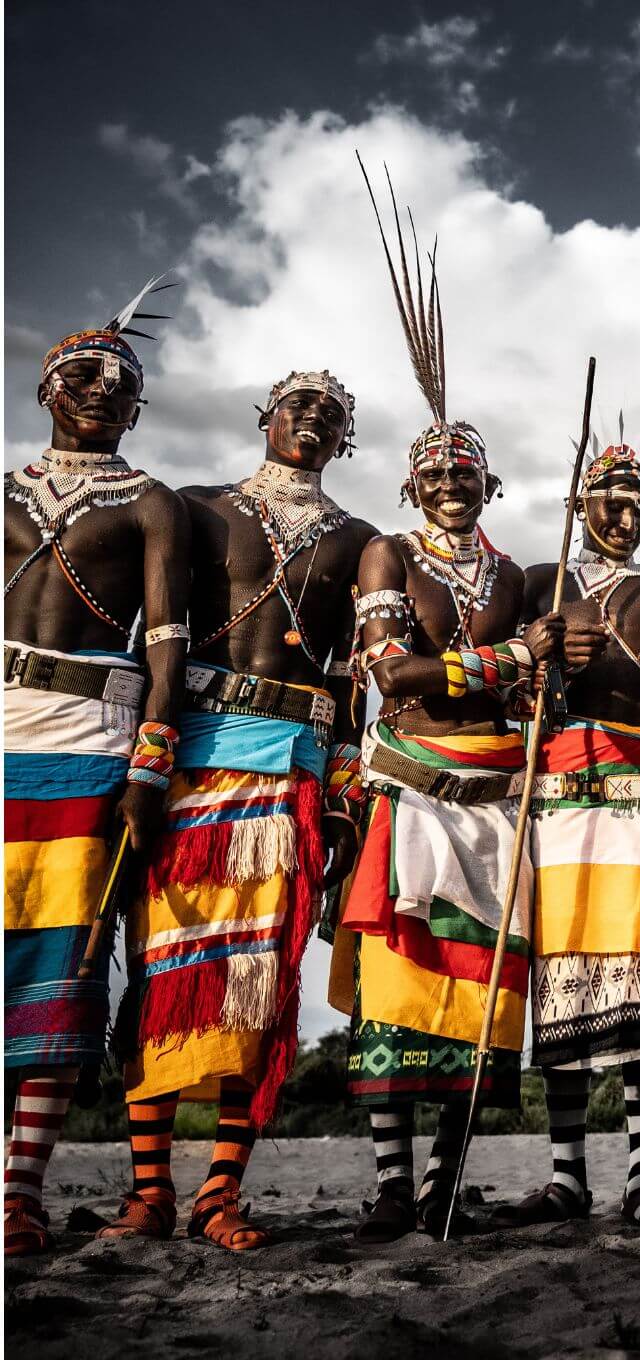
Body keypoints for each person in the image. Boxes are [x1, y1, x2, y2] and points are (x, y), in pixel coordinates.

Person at [329, 192, 581, 1243]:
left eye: (465, 473)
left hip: (496, 806)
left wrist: (531, 661)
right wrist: (507, 657)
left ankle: (444, 1179)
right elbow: (396, 675)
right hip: (418, 789)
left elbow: (523, 690)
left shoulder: (519, 573)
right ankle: (391, 1185)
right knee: (397, 993)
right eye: (434, 472)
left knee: (480, 1008)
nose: (449, 485)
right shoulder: (386, 555)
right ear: (410, 480)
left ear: (488, 482)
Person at [98, 371, 375, 1252]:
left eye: (331, 415)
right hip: (194, 766)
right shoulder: (198, 508)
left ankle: (220, 1191)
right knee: (165, 972)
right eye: (298, 405)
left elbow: (344, 675)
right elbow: (157, 640)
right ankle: (148, 1193)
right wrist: (147, 760)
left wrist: (339, 794)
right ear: (263, 418)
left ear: (345, 442)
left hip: (289, 774)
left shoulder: (358, 540)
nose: (313, 420)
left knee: (260, 988)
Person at [3, 282, 189, 1257]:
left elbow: (167, 639)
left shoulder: (148, 502)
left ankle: (18, 1192)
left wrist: (151, 762)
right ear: (45, 386)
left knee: (67, 962)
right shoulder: (3, 491)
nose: (102, 389)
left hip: (90, 737)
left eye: (122, 383)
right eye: (82, 373)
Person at [490, 439, 640, 1230]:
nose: (625, 516)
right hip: (557, 802)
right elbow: (507, 694)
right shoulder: (541, 586)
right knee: (563, 982)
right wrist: (542, 658)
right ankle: (567, 1175)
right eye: (611, 501)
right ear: (581, 505)